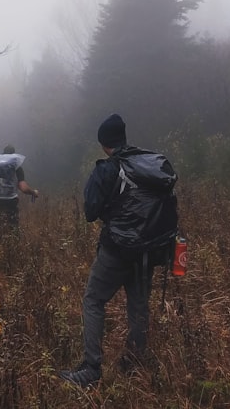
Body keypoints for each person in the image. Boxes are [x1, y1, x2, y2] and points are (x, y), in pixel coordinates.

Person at [58, 113, 175, 388]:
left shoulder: (107, 169)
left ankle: (91, 369)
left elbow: (90, 212)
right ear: (123, 138)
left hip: (117, 250)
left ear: (103, 143)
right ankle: (134, 362)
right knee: (138, 305)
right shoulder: (148, 165)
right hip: (150, 250)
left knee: (93, 300)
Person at [0, 144, 39, 230]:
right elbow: (23, 188)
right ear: (14, 155)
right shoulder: (16, 167)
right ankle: (12, 241)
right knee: (12, 227)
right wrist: (33, 192)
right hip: (10, 201)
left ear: (3, 154)